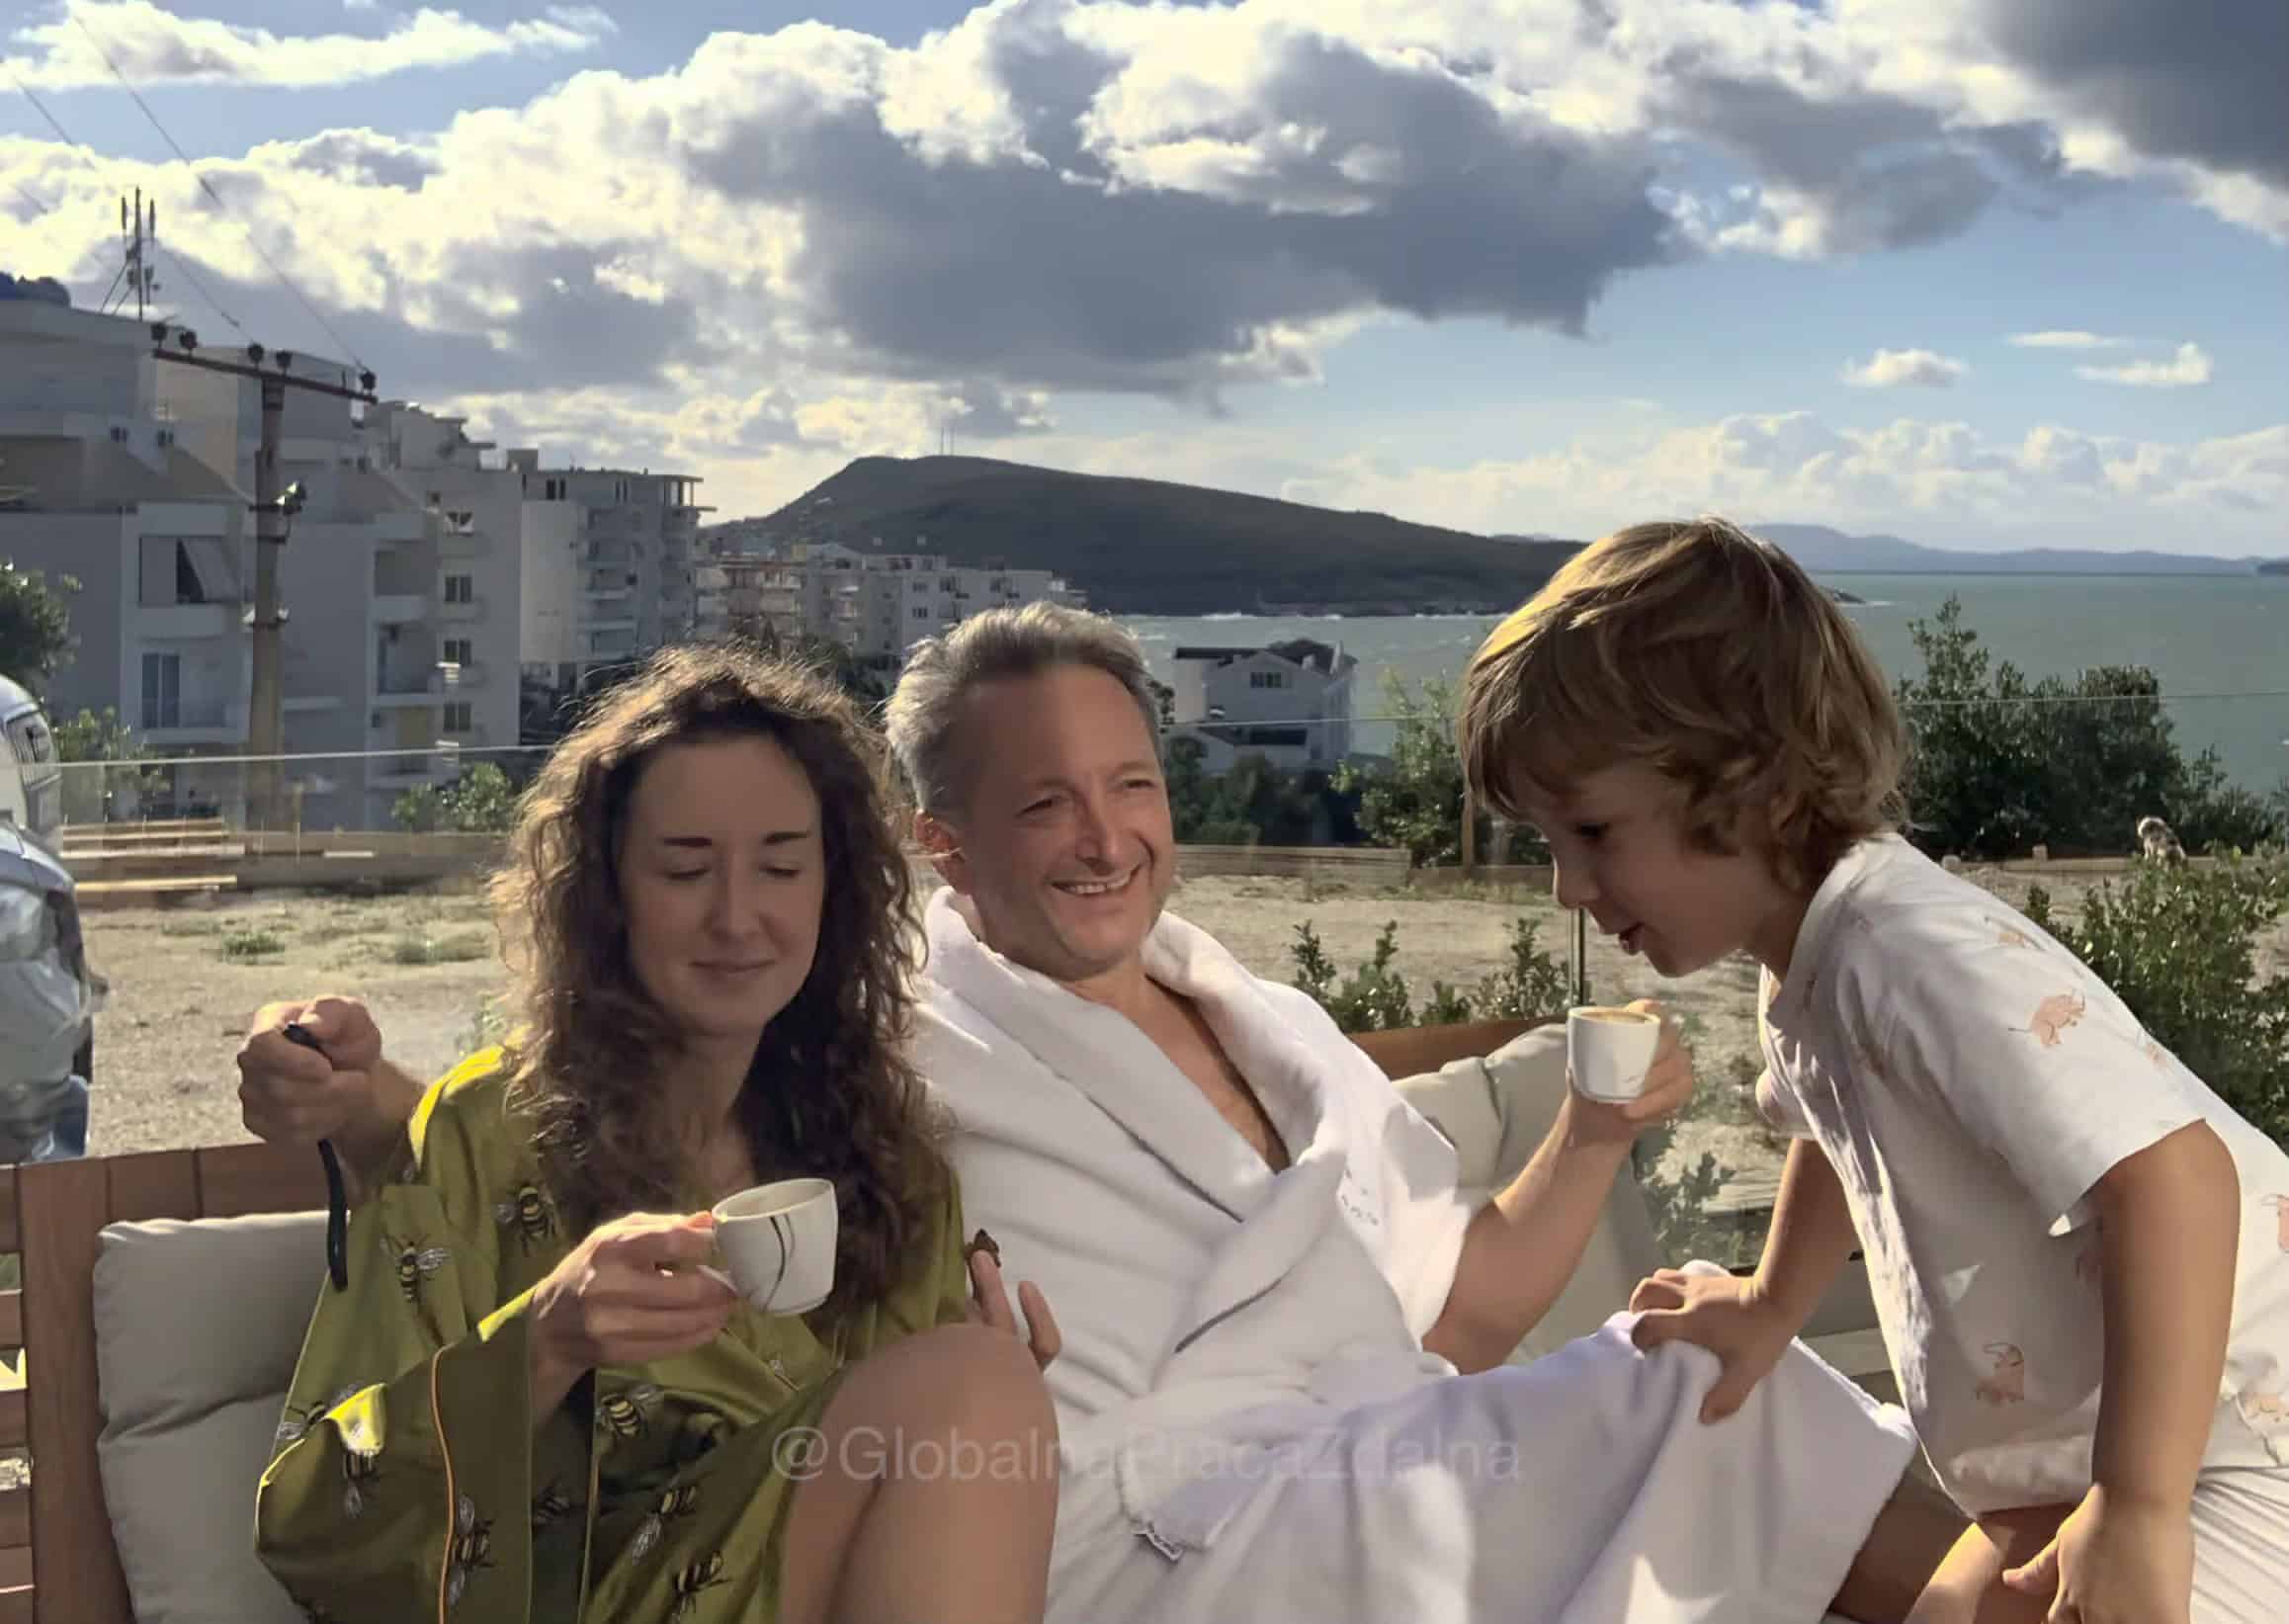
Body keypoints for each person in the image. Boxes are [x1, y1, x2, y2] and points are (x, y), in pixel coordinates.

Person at [245, 611, 1958, 1623]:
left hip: (1332, 1459)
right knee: (1697, 1398)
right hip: (1154, 1534)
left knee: (1714, 1381)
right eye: (1043, 802)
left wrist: (1590, 1130)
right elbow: (556, 1111)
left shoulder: (923, 1108)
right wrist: (369, 1102)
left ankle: (2058, 1578)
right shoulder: (906, 1039)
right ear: (938, 855)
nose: (1103, 834)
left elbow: (1457, 1308)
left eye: (1132, 783)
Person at [1457, 518, 2289, 1624]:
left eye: (1593, 831)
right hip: (2113, 1436)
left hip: (2235, 1434)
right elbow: (1836, 1125)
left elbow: (2179, 1175)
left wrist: (2140, 1508)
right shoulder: (1817, 955)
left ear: (1753, 787)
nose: (1568, 885)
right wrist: (1769, 1305)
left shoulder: (1908, 954)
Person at [249, 644, 1060, 1624]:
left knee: (987, 1388)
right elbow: (308, 1522)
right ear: (608, 893)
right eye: (685, 869)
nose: (737, 916)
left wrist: (974, 1413)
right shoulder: (483, 1132)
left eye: (781, 865)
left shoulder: (891, 1164)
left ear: (832, 887)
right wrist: (544, 1340)